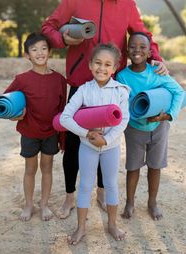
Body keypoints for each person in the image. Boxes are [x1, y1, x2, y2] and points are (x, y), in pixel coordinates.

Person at [41, 0, 168, 219]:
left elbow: (142, 35)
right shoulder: (73, 0)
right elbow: (48, 28)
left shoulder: (128, 6)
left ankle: (100, 191)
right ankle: (70, 197)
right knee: (74, 143)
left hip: (112, 86)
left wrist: (156, 57)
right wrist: (63, 39)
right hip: (80, 82)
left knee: (107, 141)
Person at [60, 43, 130, 244]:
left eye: (108, 64)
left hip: (111, 147)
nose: (102, 68)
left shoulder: (121, 91)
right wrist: (87, 133)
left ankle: (112, 225)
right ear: (90, 65)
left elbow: (124, 120)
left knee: (110, 185)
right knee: (85, 185)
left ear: (115, 68)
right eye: (98, 63)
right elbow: (65, 118)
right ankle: (81, 228)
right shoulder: (83, 90)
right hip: (88, 147)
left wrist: (106, 139)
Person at [116, 32, 186, 221]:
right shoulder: (122, 76)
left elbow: (179, 92)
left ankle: (152, 202)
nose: (137, 50)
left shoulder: (157, 72)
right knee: (133, 167)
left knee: (155, 166)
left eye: (142, 47)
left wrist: (169, 115)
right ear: (127, 50)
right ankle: (130, 203)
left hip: (159, 127)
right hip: (135, 128)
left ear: (149, 52)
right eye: (133, 46)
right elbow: (124, 103)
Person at [4, 33, 67, 221]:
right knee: (30, 169)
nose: (39, 53)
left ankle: (45, 205)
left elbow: (63, 109)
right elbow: (5, 104)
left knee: (47, 168)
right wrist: (15, 116)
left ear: (50, 52)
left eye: (43, 48)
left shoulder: (59, 80)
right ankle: (29, 205)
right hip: (29, 132)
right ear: (27, 55)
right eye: (34, 49)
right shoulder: (21, 79)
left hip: (51, 133)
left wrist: (62, 139)